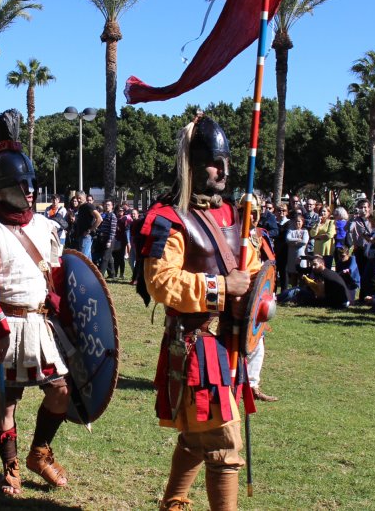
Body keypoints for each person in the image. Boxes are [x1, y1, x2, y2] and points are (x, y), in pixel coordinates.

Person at [136, 115, 262, 511]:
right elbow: (162, 282)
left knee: (196, 436)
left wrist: (253, 289)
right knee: (224, 441)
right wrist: (224, 288)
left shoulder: (236, 217)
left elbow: (256, 272)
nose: (222, 170)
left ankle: (172, 503)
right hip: (197, 346)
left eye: (225, 160)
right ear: (191, 162)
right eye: (212, 160)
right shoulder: (170, 218)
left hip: (228, 343)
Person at [0, 110, 72, 497]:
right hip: (5, 327)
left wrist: (65, 311)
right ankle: (9, 465)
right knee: (7, 403)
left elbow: (56, 275)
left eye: (32, 185)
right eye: (21, 186)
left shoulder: (45, 226)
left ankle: (39, 453)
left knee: (60, 390)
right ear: (4, 186)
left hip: (40, 327)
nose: (29, 192)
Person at [67, 192, 100, 256]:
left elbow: (99, 219)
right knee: (87, 260)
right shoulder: (81, 207)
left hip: (86, 236)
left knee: (83, 258)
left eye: (80, 198)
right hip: (81, 235)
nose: (78, 200)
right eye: (77, 198)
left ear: (85, 197)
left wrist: (90, 230)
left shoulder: (88, 206)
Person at [92, 200, 118, 276]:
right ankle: (112, 273)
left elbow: (113, 230)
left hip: (108, 238)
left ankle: (100, 275)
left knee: (105, 258)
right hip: (101, 238)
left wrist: (109, 241)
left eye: (109, 205)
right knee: (108, 256)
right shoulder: (103, 215)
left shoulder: (112, 216)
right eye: (106, 205)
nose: (107, 206)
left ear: (112, 206)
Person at [284, 213, 309, 287]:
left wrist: (293, 242)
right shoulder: (290, 231)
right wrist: (298, 239)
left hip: (301, 256)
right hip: (292, 256)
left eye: (299, 221)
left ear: (302, 222)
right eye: (296, 221)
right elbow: (288, 239)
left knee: (301, 276)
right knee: (293, 276)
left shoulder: (305, 231)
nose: (297, 223)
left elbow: (304, 241)